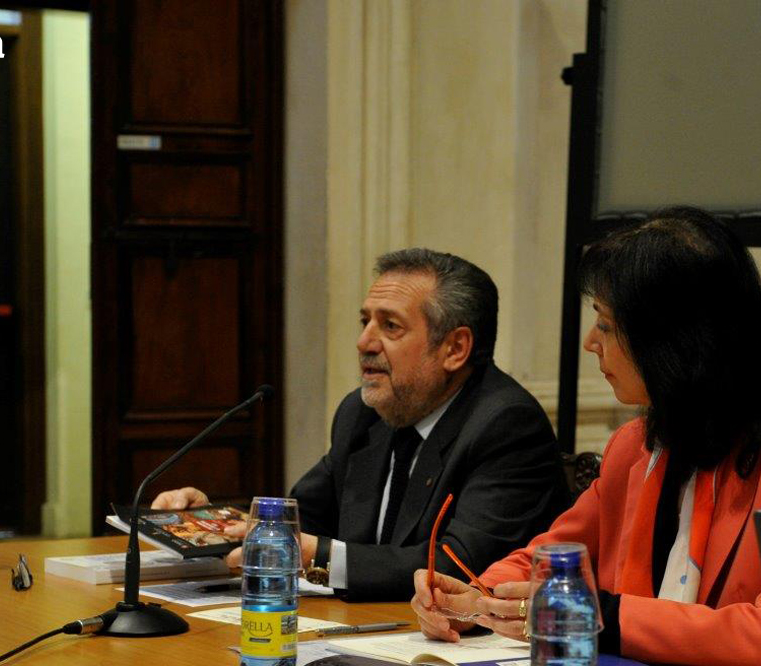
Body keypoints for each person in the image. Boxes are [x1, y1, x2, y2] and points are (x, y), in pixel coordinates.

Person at [412, 210, 761, 666]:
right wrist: (476, 599)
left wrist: (604, 618)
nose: (590, 342)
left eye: (605, 324)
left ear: (673, 338)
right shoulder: (634, 444)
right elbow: (549, 559)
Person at [154, 248, 570, 601]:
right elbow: (305, 522)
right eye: (365, 321)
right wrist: (213, 524)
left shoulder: (507, 425)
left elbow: (457, 566)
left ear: (455, 348)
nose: (364, 342)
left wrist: (317, 556)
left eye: (390, 326)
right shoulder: (363, 412)